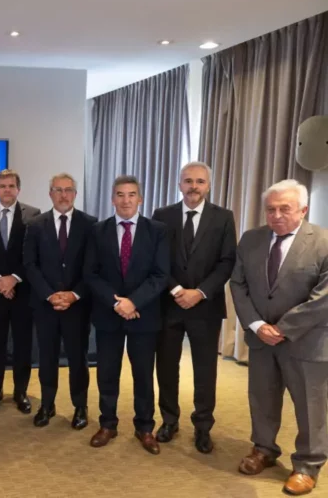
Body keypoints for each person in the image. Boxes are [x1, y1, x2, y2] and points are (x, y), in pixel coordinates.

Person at [230, 179, 328, 496]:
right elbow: (238, 285)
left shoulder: (323, 242)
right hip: (261, 340)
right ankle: (264, 449)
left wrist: (283, 329)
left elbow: (323, 297)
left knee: (310, 406)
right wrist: (257, 325)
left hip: (307, 342)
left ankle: (308, 465)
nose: (276, 215)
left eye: (285, 209)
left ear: (303, 210)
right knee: (262, 399)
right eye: (271, 209)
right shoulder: (251, 239)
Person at [152, 161, 237, 454]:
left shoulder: (224, 217)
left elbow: (227, 261)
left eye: (200, 181)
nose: (194, 186)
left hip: (206, 307)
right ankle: (169, 420)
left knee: (205, 370)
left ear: (208, 186)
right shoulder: (162, 216)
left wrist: (200, 292)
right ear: (179, 184)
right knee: (166, 367)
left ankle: (203, 426)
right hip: (169, 304)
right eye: (188, 181)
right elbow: (156, 259)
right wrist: (177, 290)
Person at [84, 175, 169, 455]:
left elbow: (160, 275)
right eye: (120, 195)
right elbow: (91, 273)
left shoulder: (157, 230)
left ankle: (145, 427)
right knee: (107, 373)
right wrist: (116, 303)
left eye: (131, 194)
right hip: (108, 315)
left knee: (143, 374)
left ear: (140, 199)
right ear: (112, 199)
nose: (126, 200)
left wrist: (133, 302)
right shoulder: (98, 231)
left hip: (144, 315)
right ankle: (107, 424)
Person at [24, 173, 96, 428]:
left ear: (75, 194)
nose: (63, 195)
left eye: (68, 190)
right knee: (47, 357)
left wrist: (74, 294)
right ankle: (47, 404)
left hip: (78, 306)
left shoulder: (90, 224)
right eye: (58, 190)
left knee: (78, 359)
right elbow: (30, 265)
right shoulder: (35, 225)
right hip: (46, 306)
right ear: (50, 194)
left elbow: (93, 267)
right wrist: (49, 294)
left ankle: (80, 406)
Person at [0, 169, 40, 413]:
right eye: (2, 186)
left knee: (23, 344)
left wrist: (13, 278)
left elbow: (33, 253)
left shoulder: (33, 214)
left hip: (23, 291)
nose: (7, 190)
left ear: (18, 189)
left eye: (11, 186)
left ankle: (20, 392)